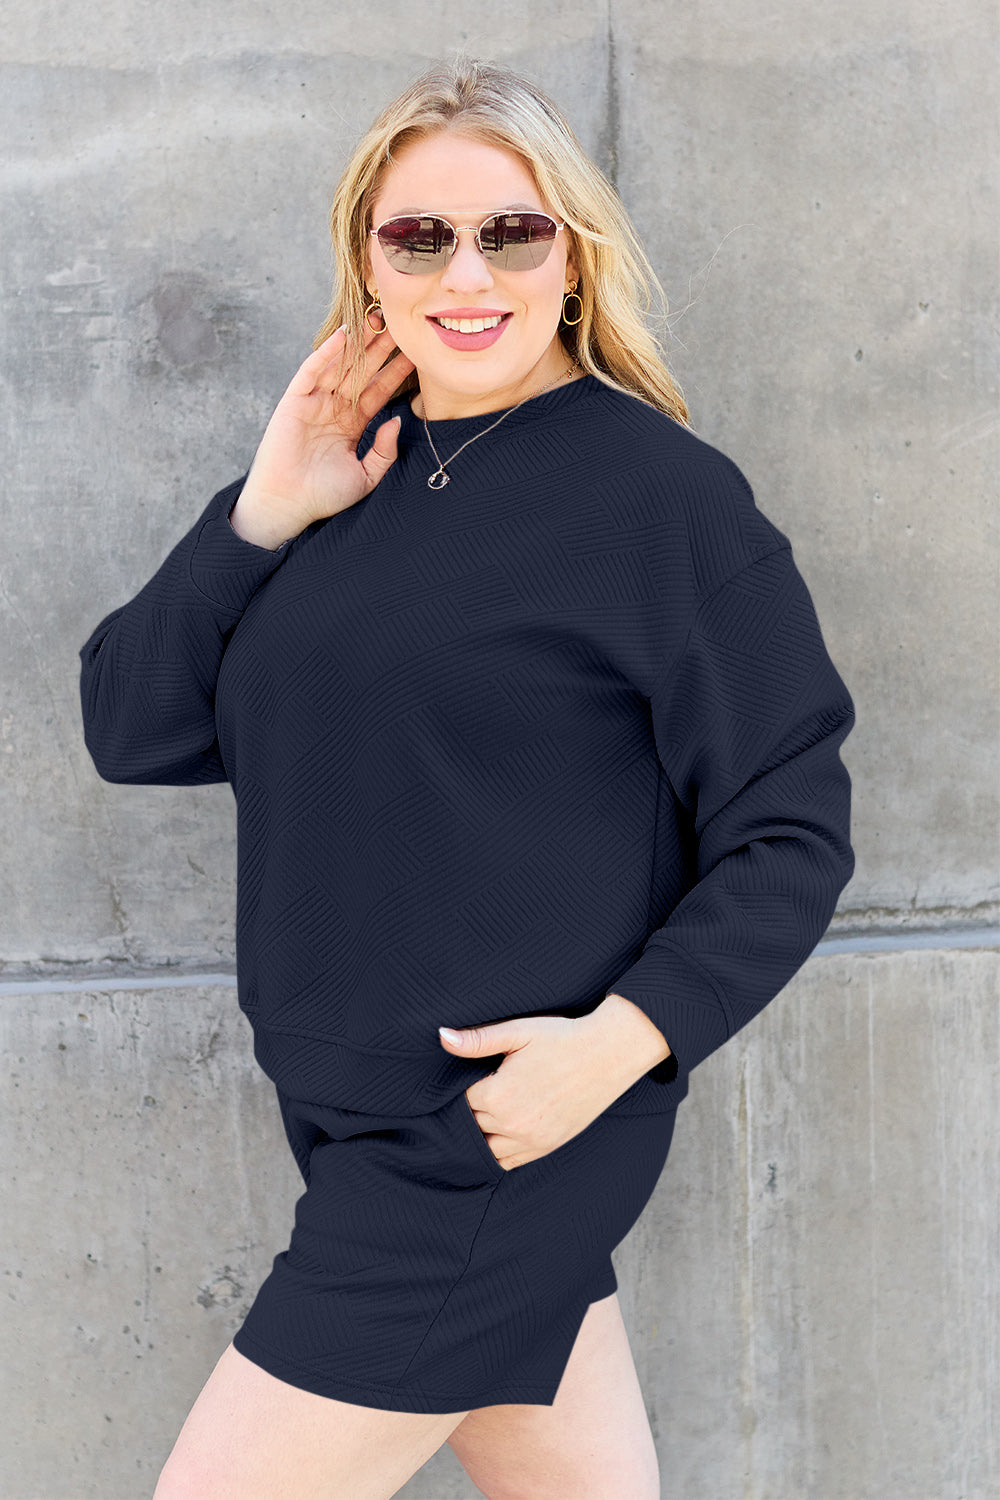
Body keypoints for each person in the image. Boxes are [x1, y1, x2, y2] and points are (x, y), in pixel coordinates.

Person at [78, 56, 855, 1500]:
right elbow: (134, 726)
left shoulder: (665, 505)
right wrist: (260, 512)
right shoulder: (339, 472)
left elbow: (792, 829)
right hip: (340, 1109)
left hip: (489, 1140)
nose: (466, 271)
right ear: (368, 265)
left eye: (513, 229)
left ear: (576, 254)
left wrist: (616, 1047)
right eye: (418, 236)